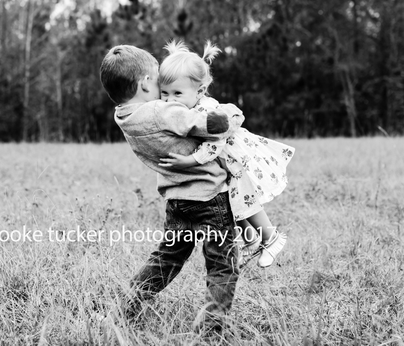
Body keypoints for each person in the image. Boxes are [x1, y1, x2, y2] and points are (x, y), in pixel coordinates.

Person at [99, 44, 245, 333]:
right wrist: (232, 112)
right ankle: (211, 330)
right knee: (222, 263)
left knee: (167, 258)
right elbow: (213, 124)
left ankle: (120, 314)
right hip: (208, 195)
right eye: (158, 81)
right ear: (144, 85)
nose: (165, 87)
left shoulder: (124, 115)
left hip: (176, 198)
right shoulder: (160, 111)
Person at [157, 40, 295, 268]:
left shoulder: (205, 110)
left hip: (233, 159)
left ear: (199, 91)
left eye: (177, 93)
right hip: (225, 163)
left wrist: (191, 161)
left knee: (245, 199)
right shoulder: (187, 106)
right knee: (231, 201)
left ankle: (272, 237)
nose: (170, 100)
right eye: (165, 93)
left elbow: (215, 141)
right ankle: (251, 241)